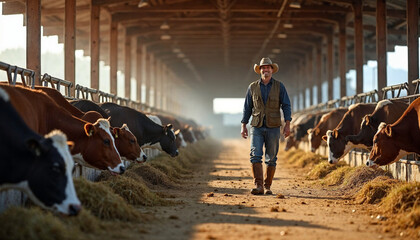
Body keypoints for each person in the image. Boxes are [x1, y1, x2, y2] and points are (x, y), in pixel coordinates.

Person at [241, 57, 292, 195]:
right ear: (260, 70)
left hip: (274, 126)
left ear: (272, 70)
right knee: (255, 155)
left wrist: (287, 124)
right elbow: (247, 108)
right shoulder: (252, 87)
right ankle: (259, 186)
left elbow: (286, 105)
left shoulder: (279, 86)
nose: (266, 70)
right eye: (263, 68)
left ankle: (267, 185)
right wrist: (243, 125)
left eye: (268, 68)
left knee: (271, 157)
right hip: (256, 126)